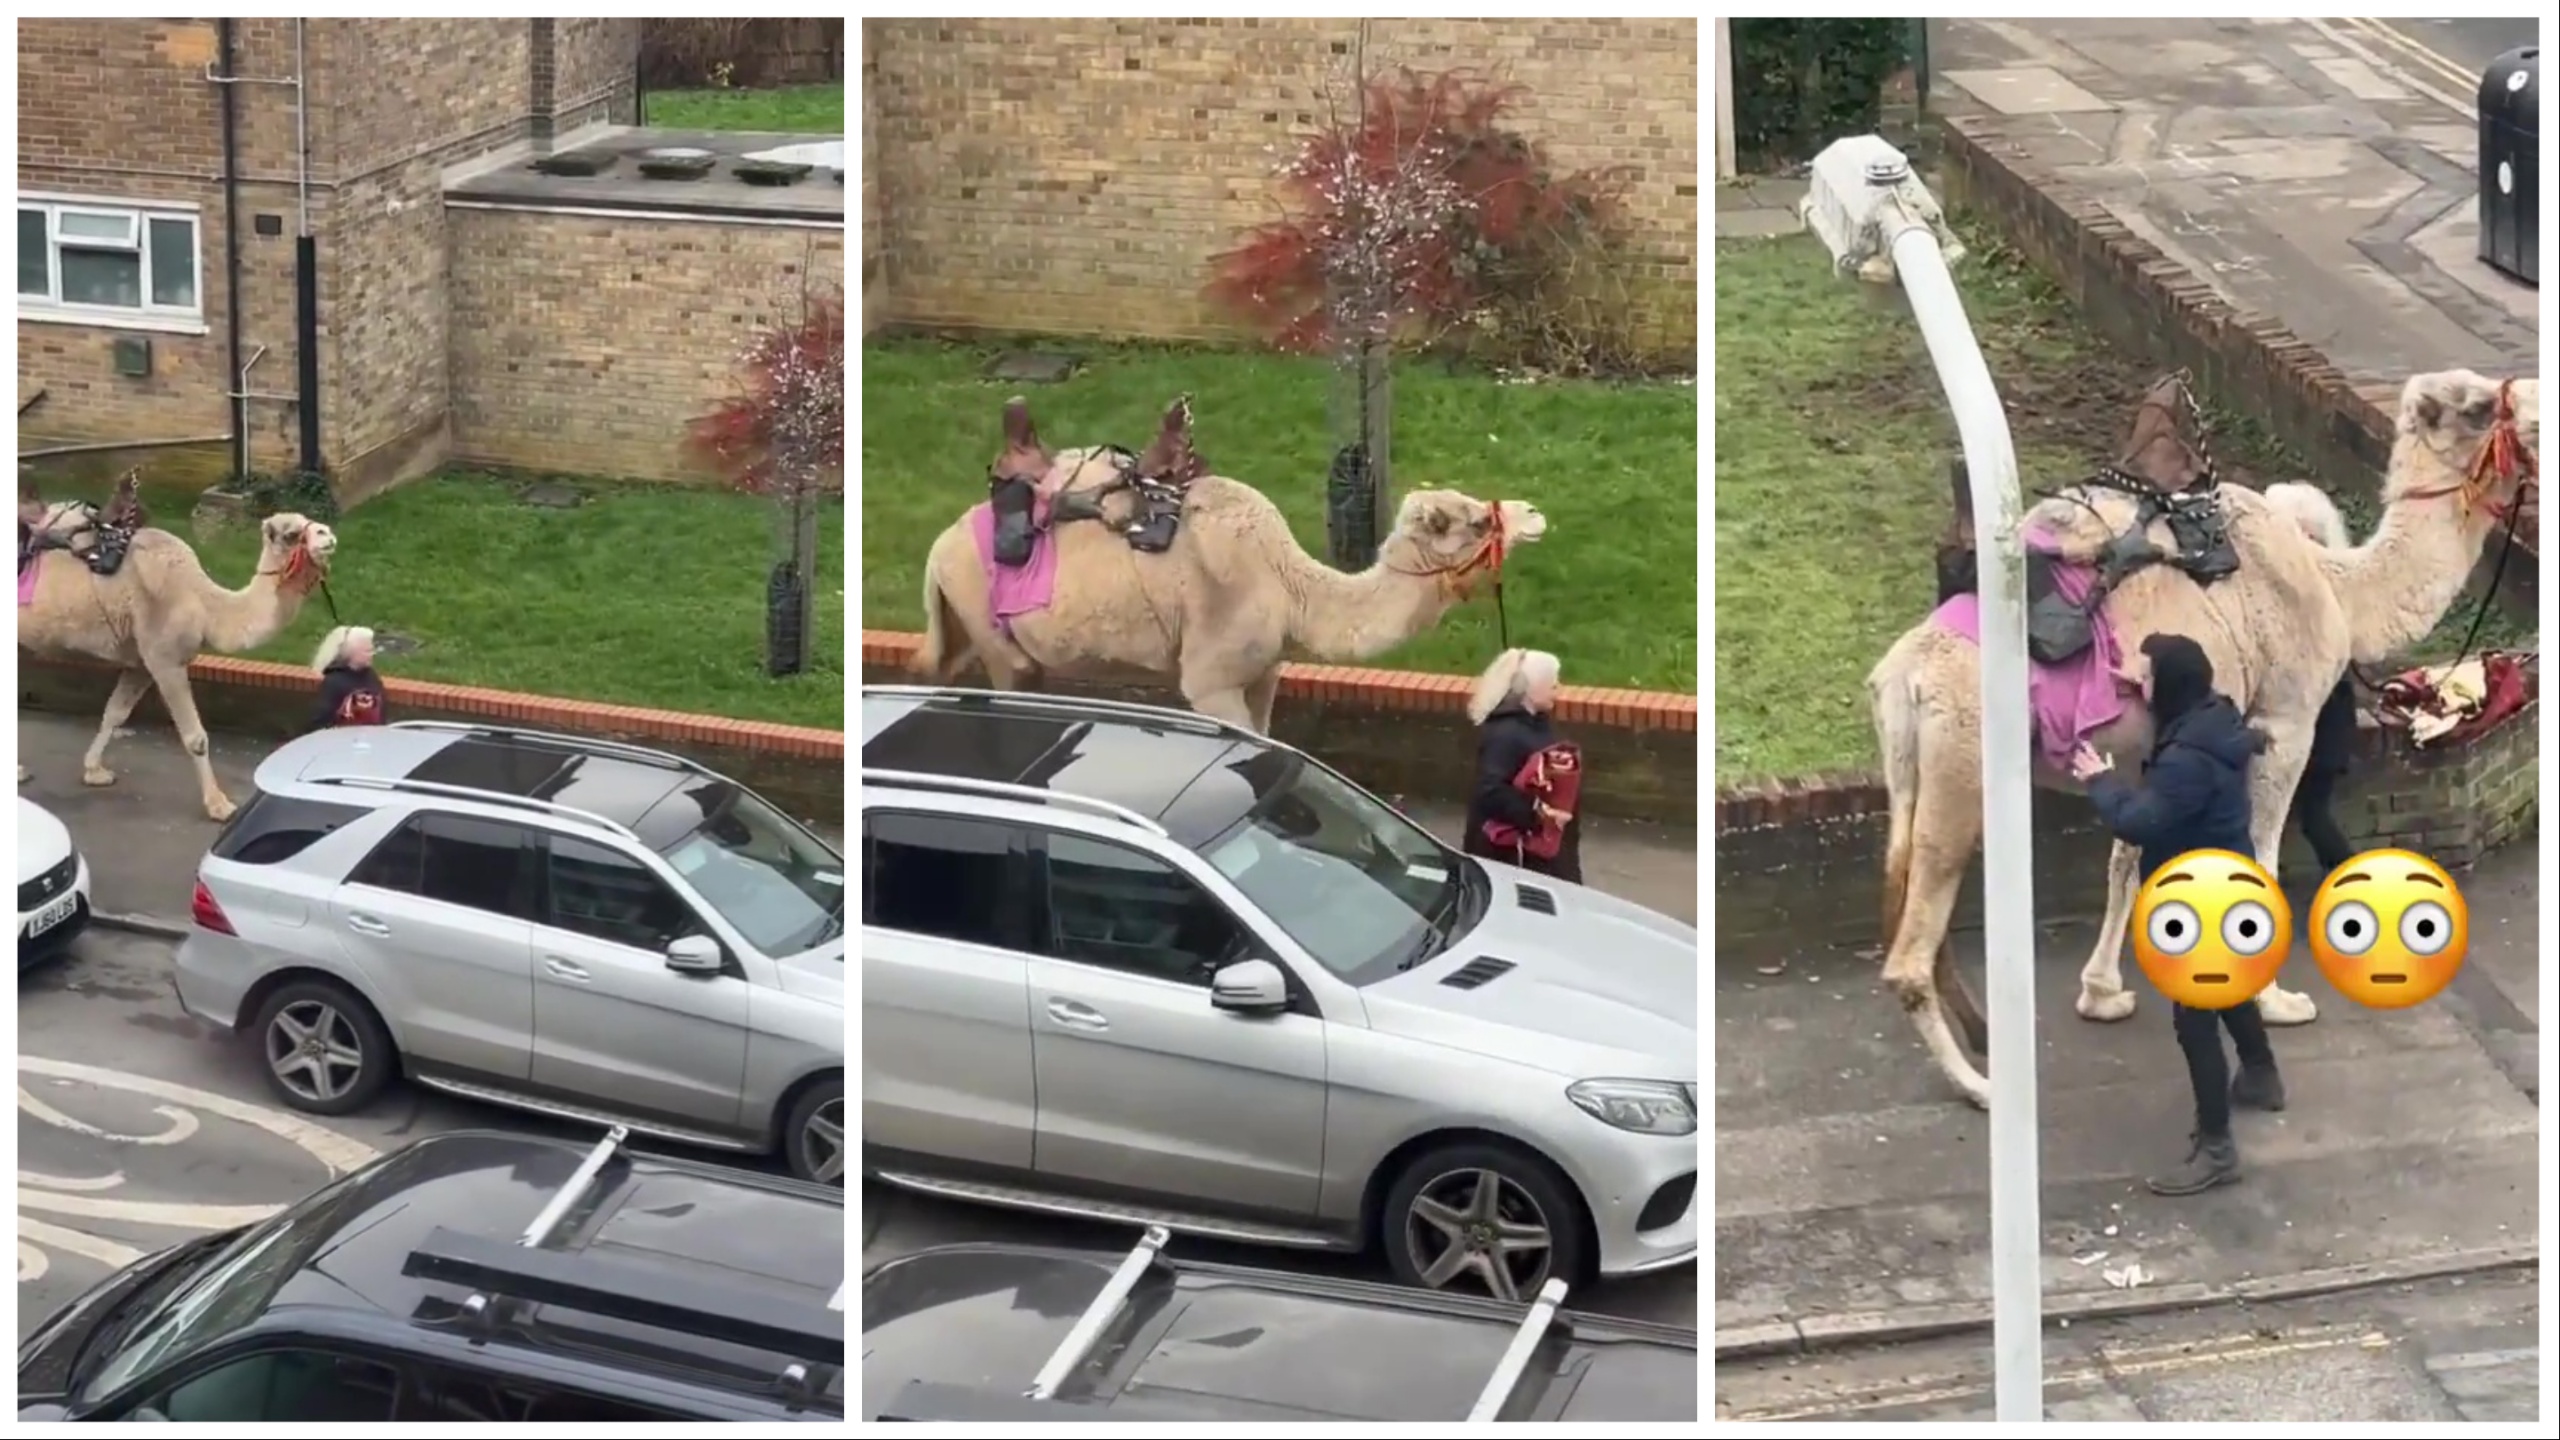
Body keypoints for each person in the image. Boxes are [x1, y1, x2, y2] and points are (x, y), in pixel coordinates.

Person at [2069, 632, 2285, 1196]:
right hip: (2232, 889)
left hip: (2201, 902)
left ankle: (2216, 1149)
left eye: (2146, 678)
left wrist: (2099, 780)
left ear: (2168, 686)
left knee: (2195, 1020)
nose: (2138, 686)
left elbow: (2139, 822)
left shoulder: (2186, 763)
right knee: (2231, 989)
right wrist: (2136, 680)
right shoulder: (2216, 717)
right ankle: (2261, 1074)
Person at [1462, 648, 1582, 884]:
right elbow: (1490, 792)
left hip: (1539, 854)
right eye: (1551, 682)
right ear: (1530, 687)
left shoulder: (1534, 724)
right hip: (1519, 860)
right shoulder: (1506, 735)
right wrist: (1540, 814)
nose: (1558, 687)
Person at [299, 625, 388, 734]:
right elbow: (321, 721)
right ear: (353, 653)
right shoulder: (334, 682)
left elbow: (382, 713)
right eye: (367, 651)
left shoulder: (372, 677)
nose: (372, 655)